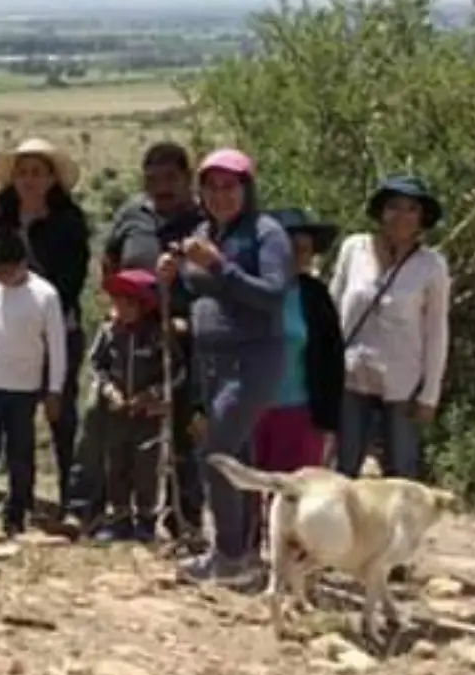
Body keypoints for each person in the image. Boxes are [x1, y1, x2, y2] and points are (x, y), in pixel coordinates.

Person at [158, 148, 292, 584]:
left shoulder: (267, 234)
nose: (220, 195)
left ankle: (229, 555)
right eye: (211, 187)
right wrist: (173, 273)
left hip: (253, 358)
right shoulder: (203, 231)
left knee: (214, 454)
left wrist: (217, 264)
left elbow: (271, 293)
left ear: (247, 189)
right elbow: (199, 291)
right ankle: (245, 554)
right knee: (236, 454)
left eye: (229, 186)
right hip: (212, 362)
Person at [0, 137, 91, 528]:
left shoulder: (69, 221)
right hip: (10, 333)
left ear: (51, 179)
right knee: (16, 418)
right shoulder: (1, 215)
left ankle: (73, 500)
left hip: (60, 328)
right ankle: (19, 499)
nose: (29, 180)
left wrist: (41, 309)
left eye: (38, 172)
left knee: (63, 416)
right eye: (23, 172)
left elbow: (72, 278)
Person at [102, 141, 207, 541]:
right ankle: (124, 514)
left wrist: (185, 323)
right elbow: (110, 262)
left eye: (170, 178)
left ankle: (185, 518)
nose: (161, 188)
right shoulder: (131, 214)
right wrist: (115, 306)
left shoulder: (203, 221)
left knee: (184, 430)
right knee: (126, 429)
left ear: (187, 178)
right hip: (133, 339)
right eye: (152, 179)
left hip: (186, 340)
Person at [328, 176, 452, 481]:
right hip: (351, 375)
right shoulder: (353, 249)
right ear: (381, 211)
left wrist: (430, 394)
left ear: (422, 217)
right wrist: (323, 366)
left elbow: (436, 330)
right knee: (344, 468)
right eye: (394, 206)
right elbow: (332, 306)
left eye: (411, 208)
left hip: (402, 382)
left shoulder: (431, 266)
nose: (402, 216)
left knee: (402, 471)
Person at [0, 228, 66, 536]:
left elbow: (56, 346)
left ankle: (17, 514)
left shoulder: (45, 294)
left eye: (7, 269)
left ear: (21, 263)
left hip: (24, 386)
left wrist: (54, 390)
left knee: (21, 452)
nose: (2, 276)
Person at [83, 269, 183, 543]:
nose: (121, 309)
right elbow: (96, 365)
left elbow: (175, 371)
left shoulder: (158, 335)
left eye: (128, 303)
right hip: (117, 411)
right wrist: (109, 390)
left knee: (146, 465)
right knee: (116, 463)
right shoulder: (109, 331)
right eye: (117, 302)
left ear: (142, 305)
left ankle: (147, 520)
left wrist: (152, 394)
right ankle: (119, 519)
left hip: (147, 414)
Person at [255, 210, 345, 475]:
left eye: (304, 249)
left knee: (292, 502)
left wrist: (329, 422)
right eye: (288, 247)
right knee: (243, 503)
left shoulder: (315, 297)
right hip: (247, 413)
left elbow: (332, 360)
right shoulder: (245, 289)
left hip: (299, 413)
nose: (296, 256)